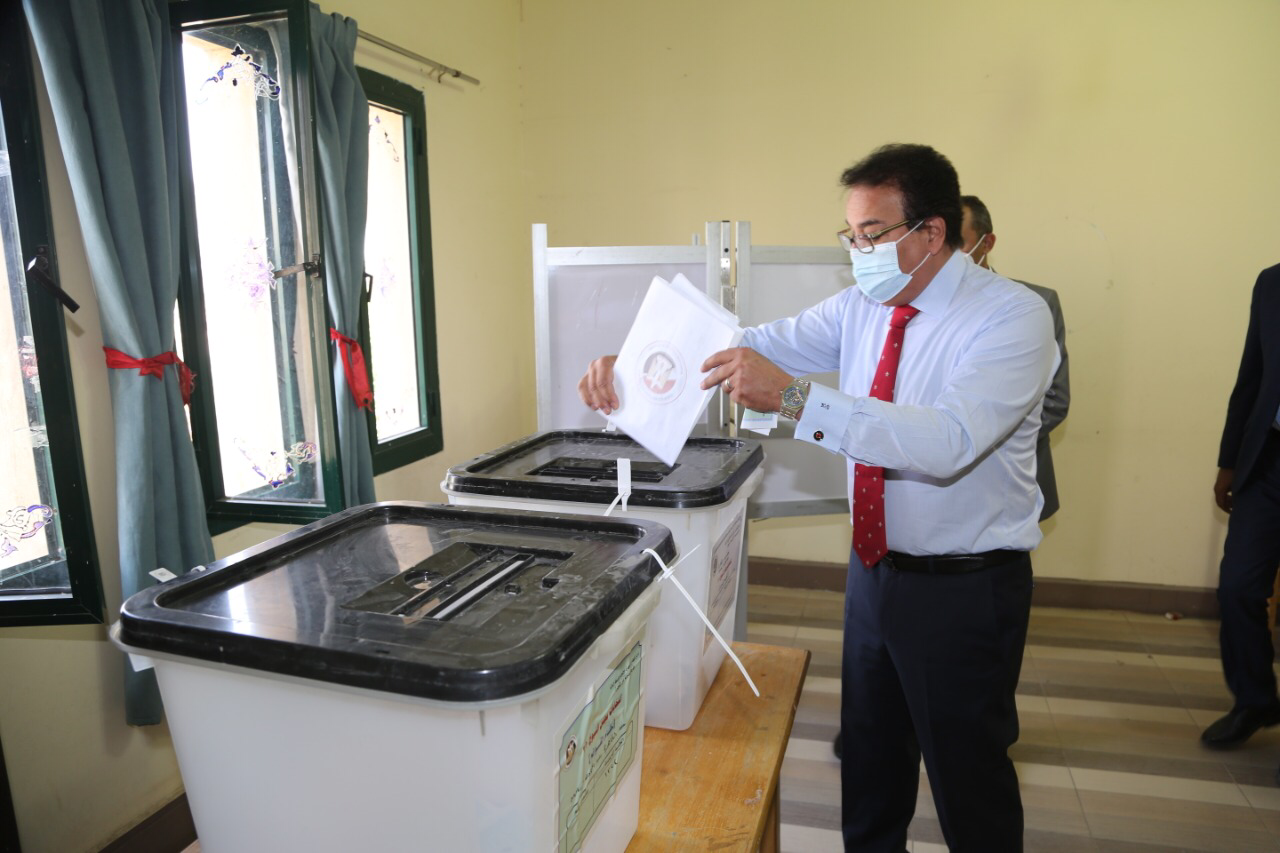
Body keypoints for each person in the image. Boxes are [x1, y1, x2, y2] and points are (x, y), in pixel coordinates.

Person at [579, 143, 1057, 851]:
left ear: (932, 233)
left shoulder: (1010, 317)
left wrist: (798, 400)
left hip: (964, 589)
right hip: (874, 573)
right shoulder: (863, 305)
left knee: (969, 779)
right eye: (850, 235)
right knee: (869, 762)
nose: (858, 252)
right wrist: (637, 364)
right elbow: (746, 345)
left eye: (873, 235)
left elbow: (949, 441)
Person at [1199, 264, 1280, 752]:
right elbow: (1251, 376)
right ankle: (1255, 700)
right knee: (1238, 588)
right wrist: (1229, 461)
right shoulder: (1272, 283)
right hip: (1268, 460)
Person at [958, 194, 1070, 520]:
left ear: (987, 243)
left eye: (959, 243)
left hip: (1011, 477)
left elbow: (1055, 401)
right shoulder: (917, 309)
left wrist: (975, 444)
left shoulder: (1036, 302)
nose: (948, 255)